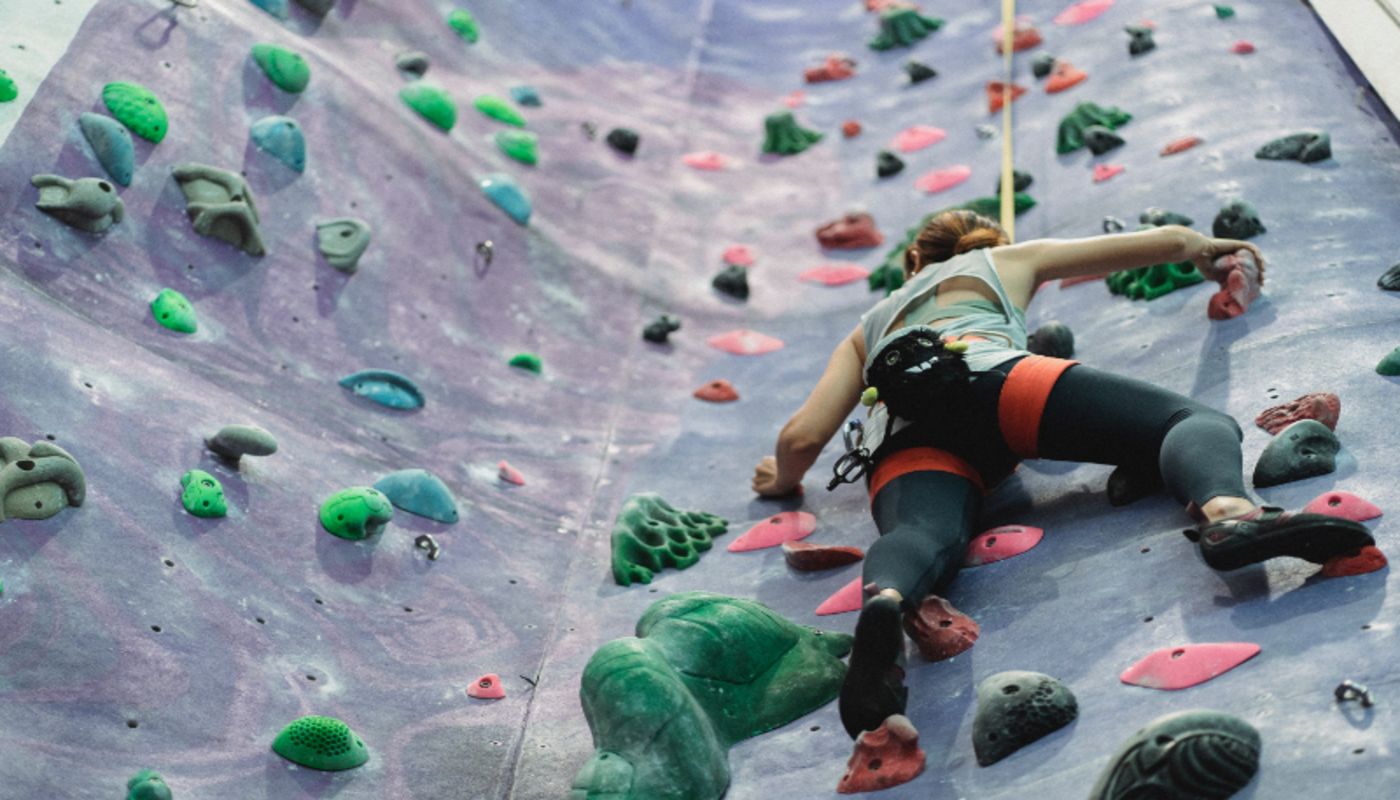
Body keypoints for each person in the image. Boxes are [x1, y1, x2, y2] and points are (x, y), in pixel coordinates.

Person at [750, 210, 1375, 739]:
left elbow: (802, 437)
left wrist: (781, 480)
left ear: (913, 261)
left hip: (902, 436)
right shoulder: (1003, 260)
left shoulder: (866, 329)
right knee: (1186, 421)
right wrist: (1205, 250)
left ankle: (886, 600)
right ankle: (1231, 516)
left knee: (922, 535)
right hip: (992, 381)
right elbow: (1156, 243)